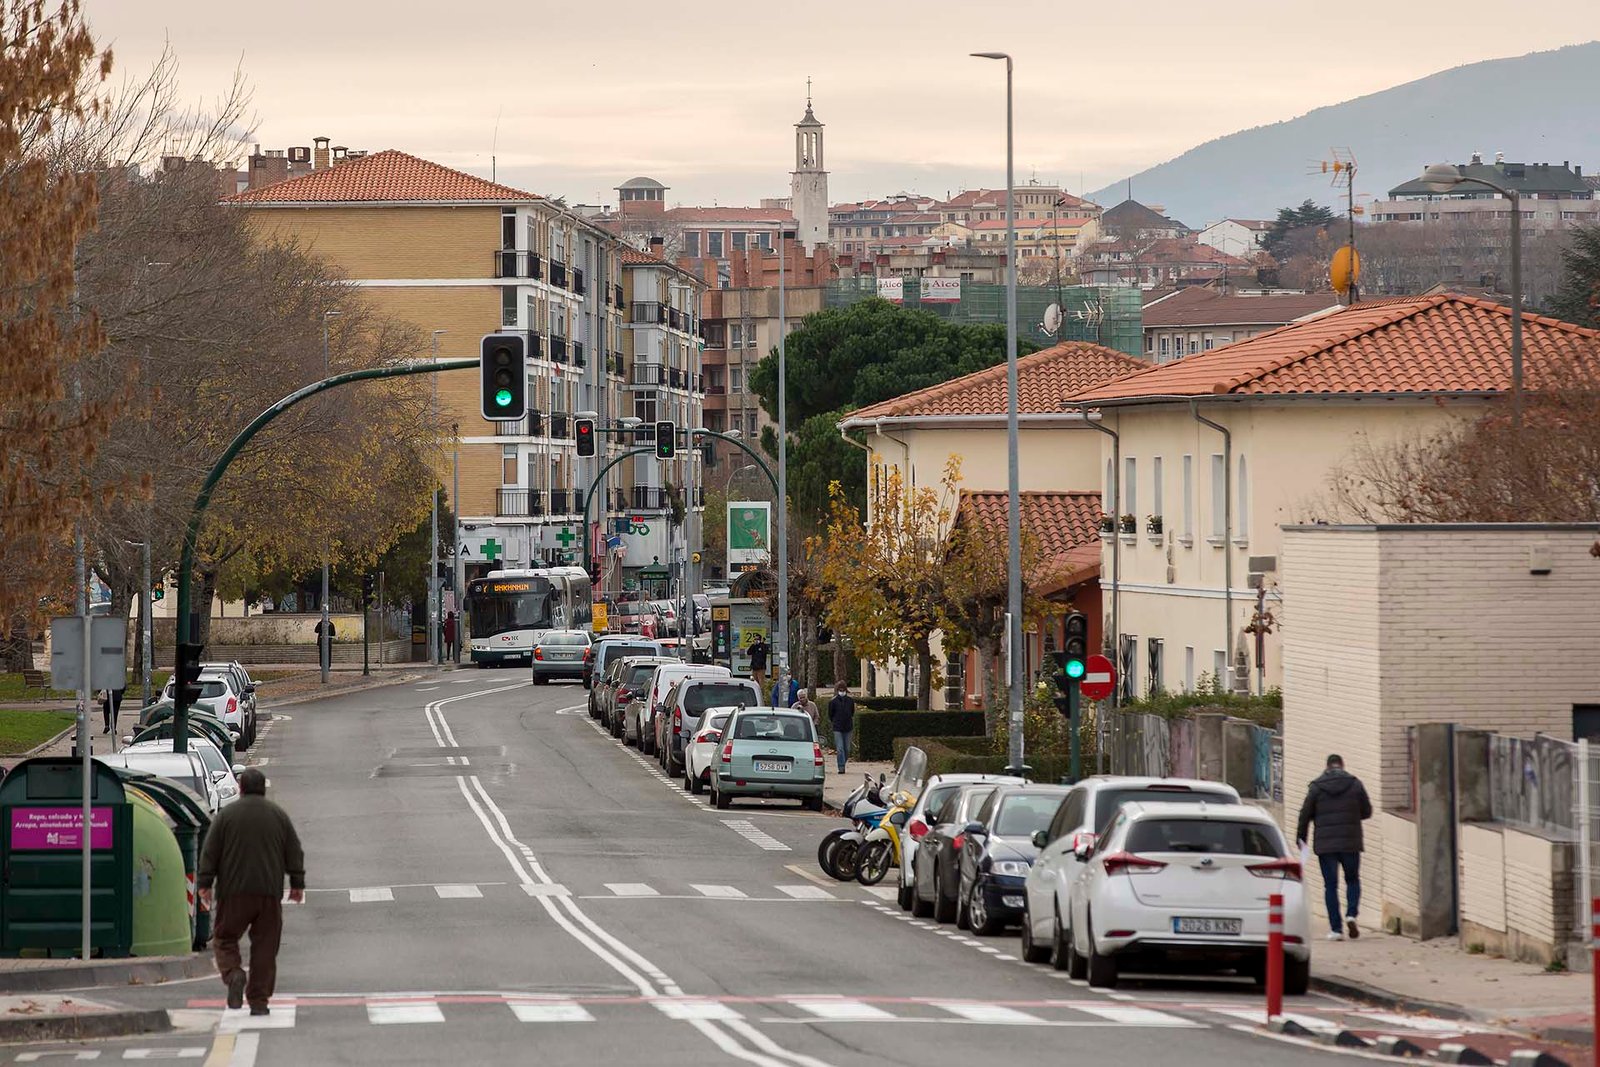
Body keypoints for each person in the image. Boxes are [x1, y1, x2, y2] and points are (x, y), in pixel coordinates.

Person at [198, 767, 306, 1016]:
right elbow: (294, 850)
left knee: (224, 938)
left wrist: (205, 883)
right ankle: (259, 1001)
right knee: (265, 947)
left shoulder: (227, 816)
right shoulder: (277, 815)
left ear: (241, 788)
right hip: (268, 893)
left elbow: (210, 851)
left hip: (233, 892)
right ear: (264, 789)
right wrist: (297, 883)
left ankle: (234, 973)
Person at [1296, 753, 1373, 941]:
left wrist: (1302, 840)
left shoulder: (1316, 787)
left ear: (1327, 767)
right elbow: (1367, 811)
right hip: (1350, 842)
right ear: (1342, 765)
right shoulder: (1355, 784)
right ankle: (1352, 914)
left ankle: (1336, 930)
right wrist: (1352, 817)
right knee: (1352, 880)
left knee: (1330, 885)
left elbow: (1305, 815)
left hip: (1326, 845)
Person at [827, 681, 856, 774]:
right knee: (840, 748)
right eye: (840, 690)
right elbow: (830, 714)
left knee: (847, 749)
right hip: (837, 728)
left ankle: (843, 762)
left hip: (848, 727)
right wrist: (835, 722)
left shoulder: (850, 701)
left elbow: (852, 712)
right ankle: (841, 767)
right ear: (837, 690)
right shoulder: (833, 702)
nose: (842, 692)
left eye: (843, 690)